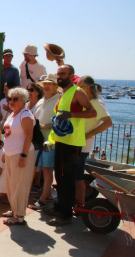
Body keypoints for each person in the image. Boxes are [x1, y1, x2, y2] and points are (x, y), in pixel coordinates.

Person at [44, 65, 96, 226]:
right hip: (61, 141)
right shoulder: (63, 93)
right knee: (59, 177)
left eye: (63, 74)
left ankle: (66, 215)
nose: (60, 77)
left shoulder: (77, 92)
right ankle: (61, 208)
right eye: (58, 74)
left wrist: (72, 114)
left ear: (71, 75)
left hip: (72, 143)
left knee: (66, 179)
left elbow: (92, 112)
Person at [75, 76, 112, 209]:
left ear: (88, 88)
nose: (77, 90)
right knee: (74, 174)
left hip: (82, 144)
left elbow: (108, 122)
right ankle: (75, 201)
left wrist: (87, 135)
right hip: (75, 142)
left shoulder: (96, 102)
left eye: (79, 87)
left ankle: (80, 204)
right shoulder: (85, 101)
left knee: (77, 175)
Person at [2, 87, 36, 226]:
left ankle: (19, 215)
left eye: (15, 99)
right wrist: (5, 152)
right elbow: (8, 135)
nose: (12, 101)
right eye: (10, 98)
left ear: (23, 101)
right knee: (11, 184)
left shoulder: (25, 114)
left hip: (21, 154)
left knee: (20, 185)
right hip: (10, 154)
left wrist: (23, 155)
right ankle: (14, 209)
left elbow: (29, 136)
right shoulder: (12, 115)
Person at [28, 74, 60, 210]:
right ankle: (47, 196)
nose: (46, 86)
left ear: (55, 86)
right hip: (39, 141)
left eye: (49, 84)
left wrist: (45, 126)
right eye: (44, 84)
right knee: (43, 169)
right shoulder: (42, 100)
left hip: (51, 142)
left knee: (47, 170)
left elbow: (63, 122)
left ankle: (43, 199)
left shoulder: (59, 100)